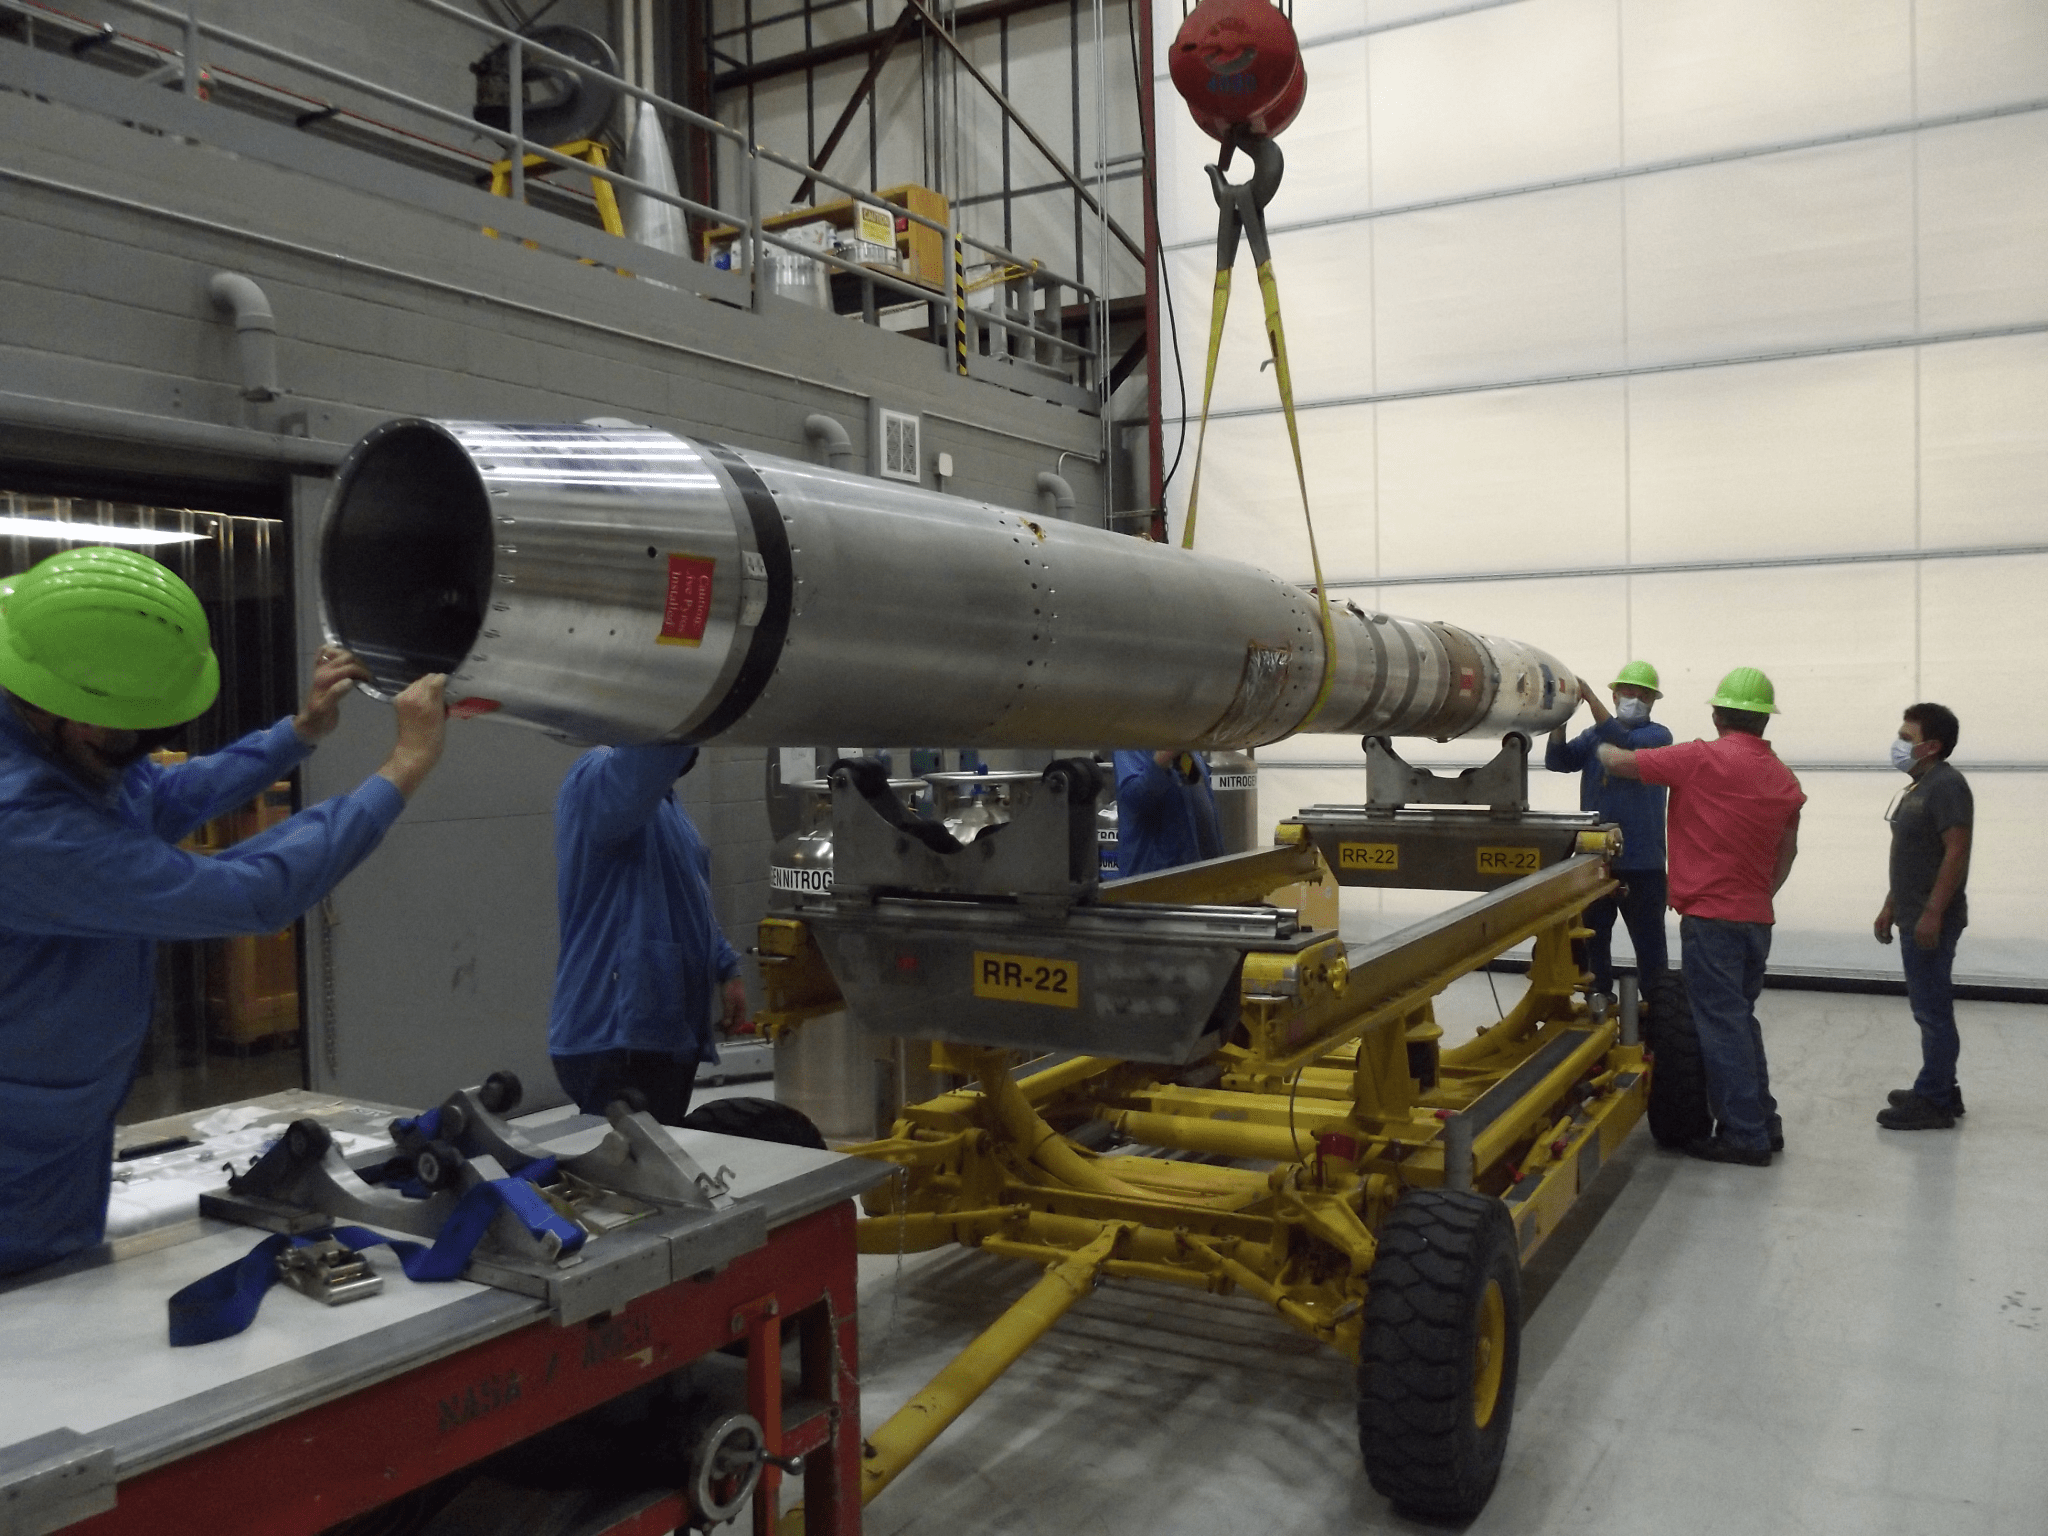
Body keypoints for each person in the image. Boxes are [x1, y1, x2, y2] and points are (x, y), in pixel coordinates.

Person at [0, 546, 450, 1276]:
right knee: (43, 1344)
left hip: (53, 1116)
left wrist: (296, 735)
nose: (145, 753)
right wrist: (403, 767)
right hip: (16, 1153)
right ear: (61, 712)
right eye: (129, 737)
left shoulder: (48, 718)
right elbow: (253, 892)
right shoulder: (20, 825)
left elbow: (150, 799)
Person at [1599, 666, 1804, 1167]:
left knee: (1719, 1026)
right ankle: (1764, 1121)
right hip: (1756, 918)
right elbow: (1787, 855)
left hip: (1711, 920)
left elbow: (1620, 762)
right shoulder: (1782, 777)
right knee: (1738, 1019)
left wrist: (1599, 733)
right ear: (1762, 721)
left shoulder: (1700, 758)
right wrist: (1754, 896)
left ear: (1717, 714)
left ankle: (1745, 1135)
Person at [548, 740, 749, 1125]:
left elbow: (689, 892)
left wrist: (725, 966)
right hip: (616, 1034)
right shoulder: (599, 776)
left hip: (663, 1030)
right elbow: (652, 747)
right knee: (635, 1175)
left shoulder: (666, 805)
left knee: (656, 1165)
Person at [1544, 661, 1673, 994]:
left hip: (1642, 864)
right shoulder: (1593, 736)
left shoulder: (1657, 737)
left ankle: (1657, 1021)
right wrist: (1558, 720)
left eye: (1641, 695)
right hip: (1595, 861)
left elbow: (1624, 741)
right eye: (1627, 693)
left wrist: (1588, 697)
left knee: (1651, 952)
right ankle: (1597, 1007)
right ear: (1614, 696)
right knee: (1592, 946)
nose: (1633, 699)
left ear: (1653, 701)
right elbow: (1558, 762)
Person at [1873, 703, 1972, 1131]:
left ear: (1932, 746)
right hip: (1912, 913)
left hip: (1930, 920)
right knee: (1928, 1006)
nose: (1899, 745)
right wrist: (1891, 904)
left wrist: (1932, 913)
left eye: (1906, 738)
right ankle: (1942, 1088)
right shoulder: (1921, 785)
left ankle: (1934, 1099)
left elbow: (1956, 851)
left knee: (1932, 1011)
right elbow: (1913, 854)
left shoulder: (1947, 785)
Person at [1113, 748, 1222, 878]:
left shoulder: (1185, 742)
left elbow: (1199, 797)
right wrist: (1160, 762)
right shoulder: (1131, 743)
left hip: (1200, 872)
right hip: (1155, 878)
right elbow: (1133, 800)